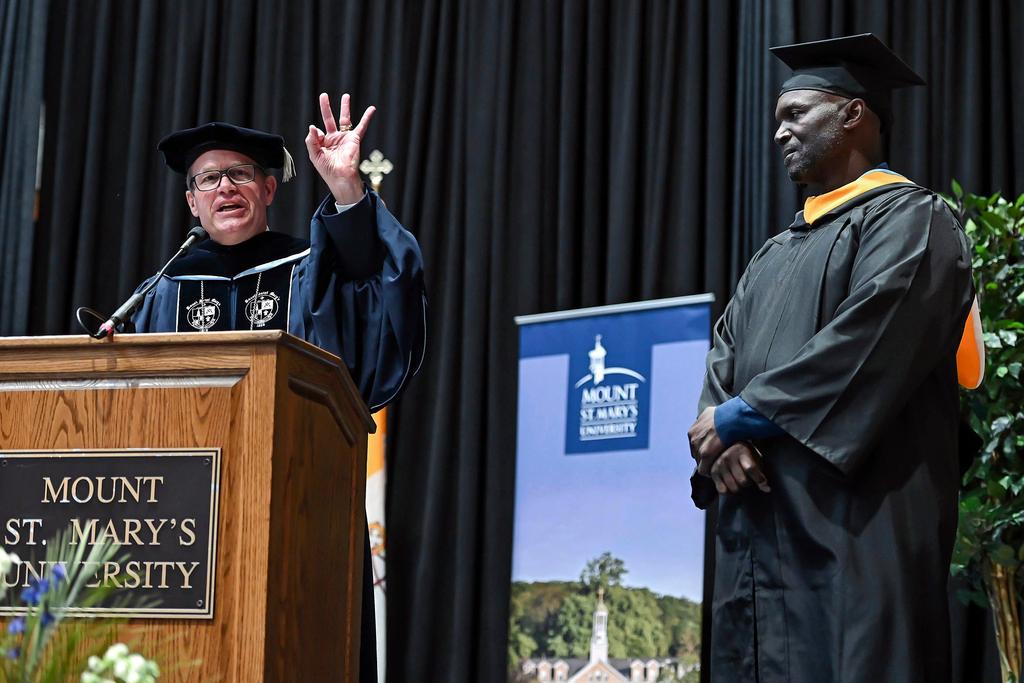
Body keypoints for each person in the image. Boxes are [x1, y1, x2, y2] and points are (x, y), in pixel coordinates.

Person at [686, 34, 976, 682]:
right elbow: (724, 352)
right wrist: (719, 431)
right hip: (759, 548)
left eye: (796, 114)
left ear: (853, 114)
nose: (779, 132)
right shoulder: (772, 254)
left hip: (854, 542)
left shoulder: (916, 222)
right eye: (777, 119)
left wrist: (744, 415)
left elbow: (868, 344)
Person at [132, 93, 426, 682]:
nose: (225, 188)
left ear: (268, 188)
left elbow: (381, 301)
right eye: (208, 179)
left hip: (300, 504)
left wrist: (347, 192)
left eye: (239, 173)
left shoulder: (310, 269)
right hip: (183, 527)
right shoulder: (161, 291)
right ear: (191, 201)